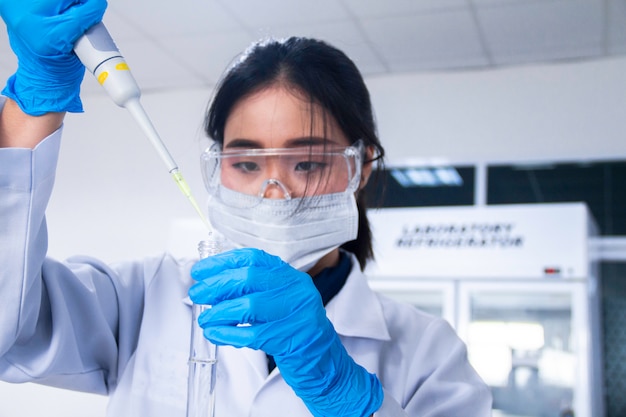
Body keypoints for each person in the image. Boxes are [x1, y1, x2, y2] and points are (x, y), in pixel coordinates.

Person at [0, 1, 492, 416]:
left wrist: (344, 392)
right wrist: (33, 101)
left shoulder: (428, 352)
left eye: (306, 162)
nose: (273, 191)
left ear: (361, 168)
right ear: (219, 165)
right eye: (248, 163)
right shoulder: (145, 299)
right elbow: (10, 331)